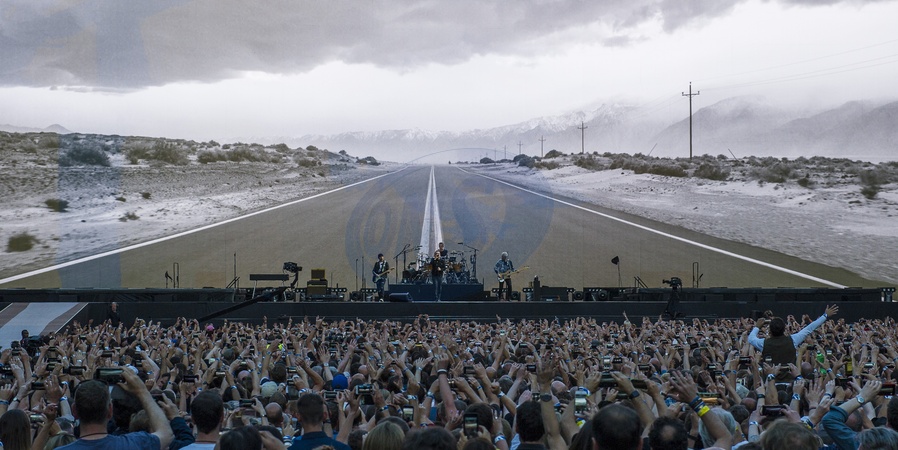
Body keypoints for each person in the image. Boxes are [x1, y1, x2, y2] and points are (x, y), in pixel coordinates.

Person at [61, 369, 173, 449]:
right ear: (110, 411)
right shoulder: (134, 444)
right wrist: (142, 392)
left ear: (74, 411)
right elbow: (166, 434)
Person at [748, 304, 838, 365]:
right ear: (784, 329)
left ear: (770, 331)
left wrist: (757, 326)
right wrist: (825, 315)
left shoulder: (763, 343)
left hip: (770, 381)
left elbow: (751, 339)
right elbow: (809, 328)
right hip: (791, 380)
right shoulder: (793, 340)